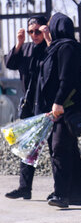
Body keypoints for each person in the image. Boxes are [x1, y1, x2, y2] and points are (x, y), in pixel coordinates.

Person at [35, 13, 81, 208]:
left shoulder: (66, 48)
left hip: (65, 107)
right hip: (63, 107)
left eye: (51, 26)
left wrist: (57, 102)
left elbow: (66, 79)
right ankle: (79, 194)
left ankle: (61, 194)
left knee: (59, 149)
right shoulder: (61, 46)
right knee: (70, 149)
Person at [4, 15, 49, 200]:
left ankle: (64, 189)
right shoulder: (26, 48)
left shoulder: (51, 46)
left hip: (48, 105)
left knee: (57, 148)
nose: (34, 35)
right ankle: (25, 187)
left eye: (37, 31)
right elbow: (10, 63)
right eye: (31, 32)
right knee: (27, 146)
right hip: (29, 104)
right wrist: (19, 43)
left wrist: (48, 39)